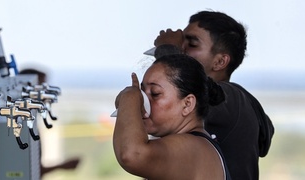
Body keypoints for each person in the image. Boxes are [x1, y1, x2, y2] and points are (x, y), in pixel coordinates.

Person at [152, 10, 275, 179]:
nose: (182, 48)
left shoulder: (232, 98)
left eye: (192, 44)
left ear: (220, 61)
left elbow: (188, 85)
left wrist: (169, 51)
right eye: (181, 43)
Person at [113, 54, 230, 180]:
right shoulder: (196, 145)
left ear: (187, 104)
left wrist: (129, 95)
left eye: (155, 94)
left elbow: (132, 154)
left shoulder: (193, 148)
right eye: (142, 93)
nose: (143, 102)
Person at [18, 68, 80, 178]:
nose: (46, 93)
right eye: (42, 87)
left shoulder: (29, 121)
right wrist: (63, 166)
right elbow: (25, 169)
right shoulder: (19, 126)